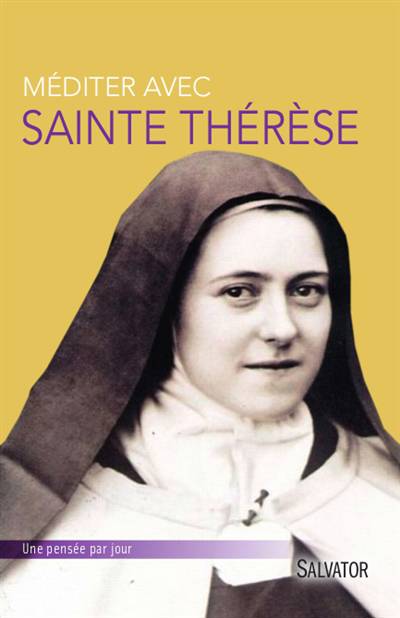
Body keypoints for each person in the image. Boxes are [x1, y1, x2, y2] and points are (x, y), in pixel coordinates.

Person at [0, 151, 399, 618]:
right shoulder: (46, 531)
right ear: (167, 305)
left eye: (305, 290)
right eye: (239, 292)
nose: (282, 328)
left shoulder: (384, 493)